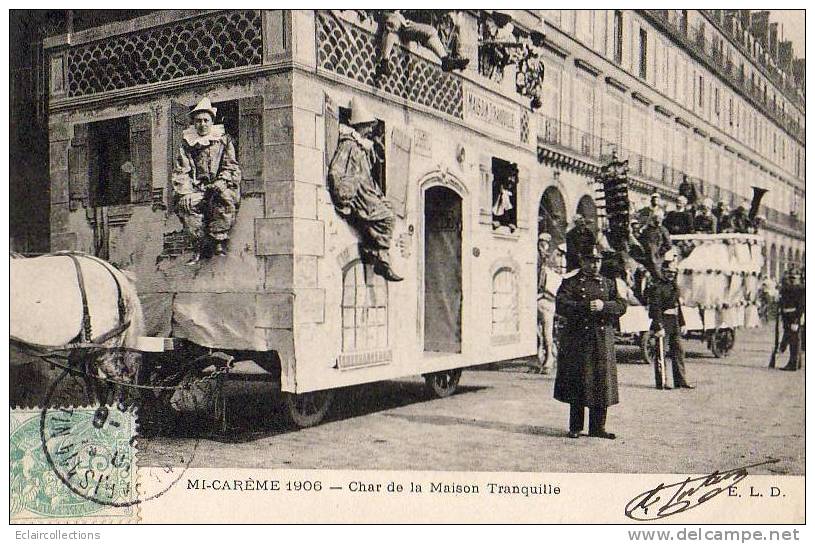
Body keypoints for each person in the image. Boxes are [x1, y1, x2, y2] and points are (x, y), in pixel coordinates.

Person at [554, 245, 627, 439]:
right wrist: (585, 307)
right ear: (582, 261)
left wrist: (605, 306)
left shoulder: (609, 283)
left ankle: (598, 427)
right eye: (590, 261)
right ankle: (575, 427)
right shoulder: (571, 282)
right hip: (579, 339)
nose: (594, 265)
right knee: (578, 381)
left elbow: (622, 305)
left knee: (601, 382)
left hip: (602, 339)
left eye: (597, 261)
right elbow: (561, 304)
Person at [328, 98, 402, 281]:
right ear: (360, 126)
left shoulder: (361, 147)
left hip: (367, 191)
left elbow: (368, 172)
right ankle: (380, 259)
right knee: (387, 217)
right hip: (358, 193)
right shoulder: (349, 145)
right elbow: (337, 172)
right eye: (368, 126)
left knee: (388, 210)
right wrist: (346, 196)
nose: (370, 130)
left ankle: (375, 253)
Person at [172, 97, 242, 265]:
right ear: (194, 123)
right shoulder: (187, 144)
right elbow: (181, 170)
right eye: (198, 121)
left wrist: (222, 181)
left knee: (224, 198)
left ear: (211, 122)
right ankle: (199, 245)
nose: (202, 124)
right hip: (198, 188)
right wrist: (186, 193)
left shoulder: (223, 140)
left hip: (220, 184)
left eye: (205, 120)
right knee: (185, 205)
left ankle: (219, 241)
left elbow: (231, 165)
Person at [645, 257, 694, 389]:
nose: (671, 275)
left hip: (675, 322)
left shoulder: (674, 286)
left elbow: (678, 306)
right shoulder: (657, 287)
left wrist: (683, 323)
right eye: (668, 272)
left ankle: (681, 380)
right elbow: (655, 308)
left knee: (679, 351)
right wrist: (659, 326)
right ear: (663, 272)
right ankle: (662, 381)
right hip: (663, 322)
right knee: (661, 352)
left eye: (673, 273)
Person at [374, 10, 469, 78]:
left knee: (430, 31)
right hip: (388, 15)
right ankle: (384, 62)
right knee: (393, 21)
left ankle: (445, 60)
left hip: (406, 24)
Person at [534, 233, 560, 374]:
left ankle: (549, 356)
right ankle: (542, 355)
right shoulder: (538, 257)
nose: (543, 245)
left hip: (545, 294)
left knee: (546, 330)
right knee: (540, 331)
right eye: (541, 242)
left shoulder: (549, 259)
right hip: (537, 292)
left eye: (545, 243)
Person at [778, 267, 805, 371]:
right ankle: (796, 363)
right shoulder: (788, 288)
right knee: (791, 340)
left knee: (795, 341)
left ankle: (793, 363)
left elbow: (801, 306)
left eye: (794, 278)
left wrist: (796, 321)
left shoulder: (801, 290)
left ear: (799, 279)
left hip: (794, 317)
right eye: (790, 278)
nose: (791, 280)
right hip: (787, 318)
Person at [638, 209, 672, 280]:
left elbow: (668, 244)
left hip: (656, 257)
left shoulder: (662, 230)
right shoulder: (647, 230)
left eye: (659, 218)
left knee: (657, 274)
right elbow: (641, 240)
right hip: (646, 256)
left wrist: (659, 252)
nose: (658, 220)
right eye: (656, 217)